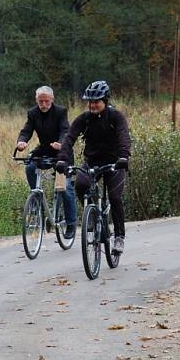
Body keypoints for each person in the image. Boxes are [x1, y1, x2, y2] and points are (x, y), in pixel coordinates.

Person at [56, 80, 131, 253]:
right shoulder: (84, 119)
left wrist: (123, 157)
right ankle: (92, 216)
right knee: (81, 185)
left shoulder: (116, 117)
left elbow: (124, 137)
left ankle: (119, 236)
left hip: (114, 162)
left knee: (114, 196)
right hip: (92, 162)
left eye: (96, 101)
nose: (92, 105)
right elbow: (69, 138)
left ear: (105, 100)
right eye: (90, 101)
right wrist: (62, 159)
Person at [16, 85, 78, 238]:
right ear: (36, 100)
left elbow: (65, 130)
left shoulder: (60, 111)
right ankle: (35, 197)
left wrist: (61, 143)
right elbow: (27, 130)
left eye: (46, 101)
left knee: (65, 188)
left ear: (52, 99)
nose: (43, 105)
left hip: (62, 153)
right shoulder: (32, 113)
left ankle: (71, 224)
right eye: (40, 101)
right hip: (44, 149)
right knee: (30, 165)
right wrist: (21, 142)